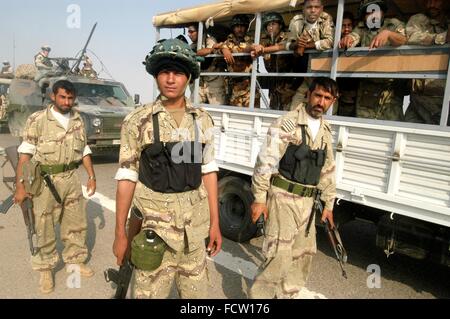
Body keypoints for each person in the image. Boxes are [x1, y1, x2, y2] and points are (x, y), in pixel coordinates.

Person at [113, 39, 222, 299]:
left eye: (178, 73)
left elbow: (208, 170)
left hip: (193, 233)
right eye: (164, 72)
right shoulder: (138, 121)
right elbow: (127, 177)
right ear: (156, 76)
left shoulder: (202, 120)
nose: (171, 79)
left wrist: (215, 224)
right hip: (154, 231)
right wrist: (120, 234)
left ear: (189, 79)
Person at [248, 77, 337, 299]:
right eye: (318, 95)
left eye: (327, 98)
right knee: (278, 256)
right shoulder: (288, 123)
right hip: (283, 199)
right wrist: (259, 199)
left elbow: (327, 170)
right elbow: (265, 161)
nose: (321, 101)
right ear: (308, 95)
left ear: (333, 101)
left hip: (308, 204)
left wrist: (329, 204)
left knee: (302, 256)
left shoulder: (325, 131)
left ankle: (287, 295)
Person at [14, 80, 96, 294]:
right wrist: (20, 186)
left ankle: (75, 261)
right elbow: (25, 154)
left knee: (76, 223)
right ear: (53, 96)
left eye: (70, 98)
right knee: (45, 226)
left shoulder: (78, 120)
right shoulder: (38, 120)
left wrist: (91, 176)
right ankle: (45, 269)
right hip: (46, 182)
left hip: (71, 179)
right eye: (62, 97)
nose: (67, 102)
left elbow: (84, 150)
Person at [340, 0, 408, 121]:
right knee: (364, 127)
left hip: (391, 90)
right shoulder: (361, 27)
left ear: (382, 12)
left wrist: (388, 34)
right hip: (368, 88)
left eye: (375, 11)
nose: (372, 15)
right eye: (368, 13)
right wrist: (348, 39)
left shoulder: (394, 24)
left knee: (391, 128)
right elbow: (354, 37)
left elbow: (403, 40)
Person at [405, 0, 450, 125]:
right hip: (420, 95)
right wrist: (441, 38)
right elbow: (410, 36)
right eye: (429, 1)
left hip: (444, 95)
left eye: (437, 1)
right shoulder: (419, 19)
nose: (432, 5)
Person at [286, 0, 335, 111]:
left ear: (321, 8)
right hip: (305, 75)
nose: (313, 10)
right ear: (303, 9)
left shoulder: (326, 18)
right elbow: (288, 44)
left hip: (322, 75)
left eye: (316, 7)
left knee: (324, 108)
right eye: (309, 7)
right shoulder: (296, 21)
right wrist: (296, 44)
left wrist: (307, 46)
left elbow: (330, 41)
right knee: (294, 109)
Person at [251, 12, 300, 110]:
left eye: (273, 24)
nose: (270, 27)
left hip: (289, 81)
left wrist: (263, 50)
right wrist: (255, 48)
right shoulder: (266, 40)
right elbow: (253, 45)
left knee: (287, 111)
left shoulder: (287, 36)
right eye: (268, 25)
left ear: (280, 25)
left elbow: (283, 46)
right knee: (273, 109)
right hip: (274, 82)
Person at [222, 14, 260, 107]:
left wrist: (226, 49)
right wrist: (223, 49)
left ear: (246, 27)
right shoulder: (228, 41)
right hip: (234, 86)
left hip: (248, 86)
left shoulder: (251, 40)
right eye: (237, 26)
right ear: (233, 28)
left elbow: (247, 48)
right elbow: (217, 48)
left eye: (242, 26)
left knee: (251, 115)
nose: (240, 29)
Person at [186, 23, 226, 105]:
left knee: (217, 110)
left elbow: (209, 51)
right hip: (201, 83)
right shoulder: (193, 45)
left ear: (199, 32)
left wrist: (195, 53)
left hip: (214, 81)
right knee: (191, 106)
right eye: (188, 32)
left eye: (191, 32)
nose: (189, 34)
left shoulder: (210, 40)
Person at [336, 11, 358, 117]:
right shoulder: (334, 43)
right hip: (336, 90)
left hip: (352, 91)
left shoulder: (358, 44)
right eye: (343, 26)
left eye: (349, 25)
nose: (347, 29)